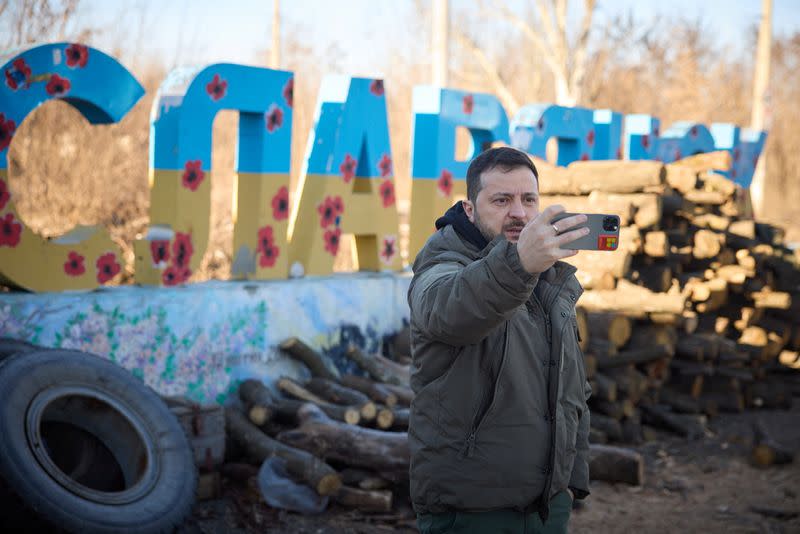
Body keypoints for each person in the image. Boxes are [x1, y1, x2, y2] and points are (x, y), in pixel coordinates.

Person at [407, 146, 592, 533]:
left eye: (529, 199)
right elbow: (450, 310)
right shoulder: (442, 265)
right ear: (470, 210)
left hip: (547, 506)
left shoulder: (549, 278)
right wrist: (520, 264)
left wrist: (570, 482)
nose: (520, 213)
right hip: (471, 512)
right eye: (502, 200)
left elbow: (571, 389)